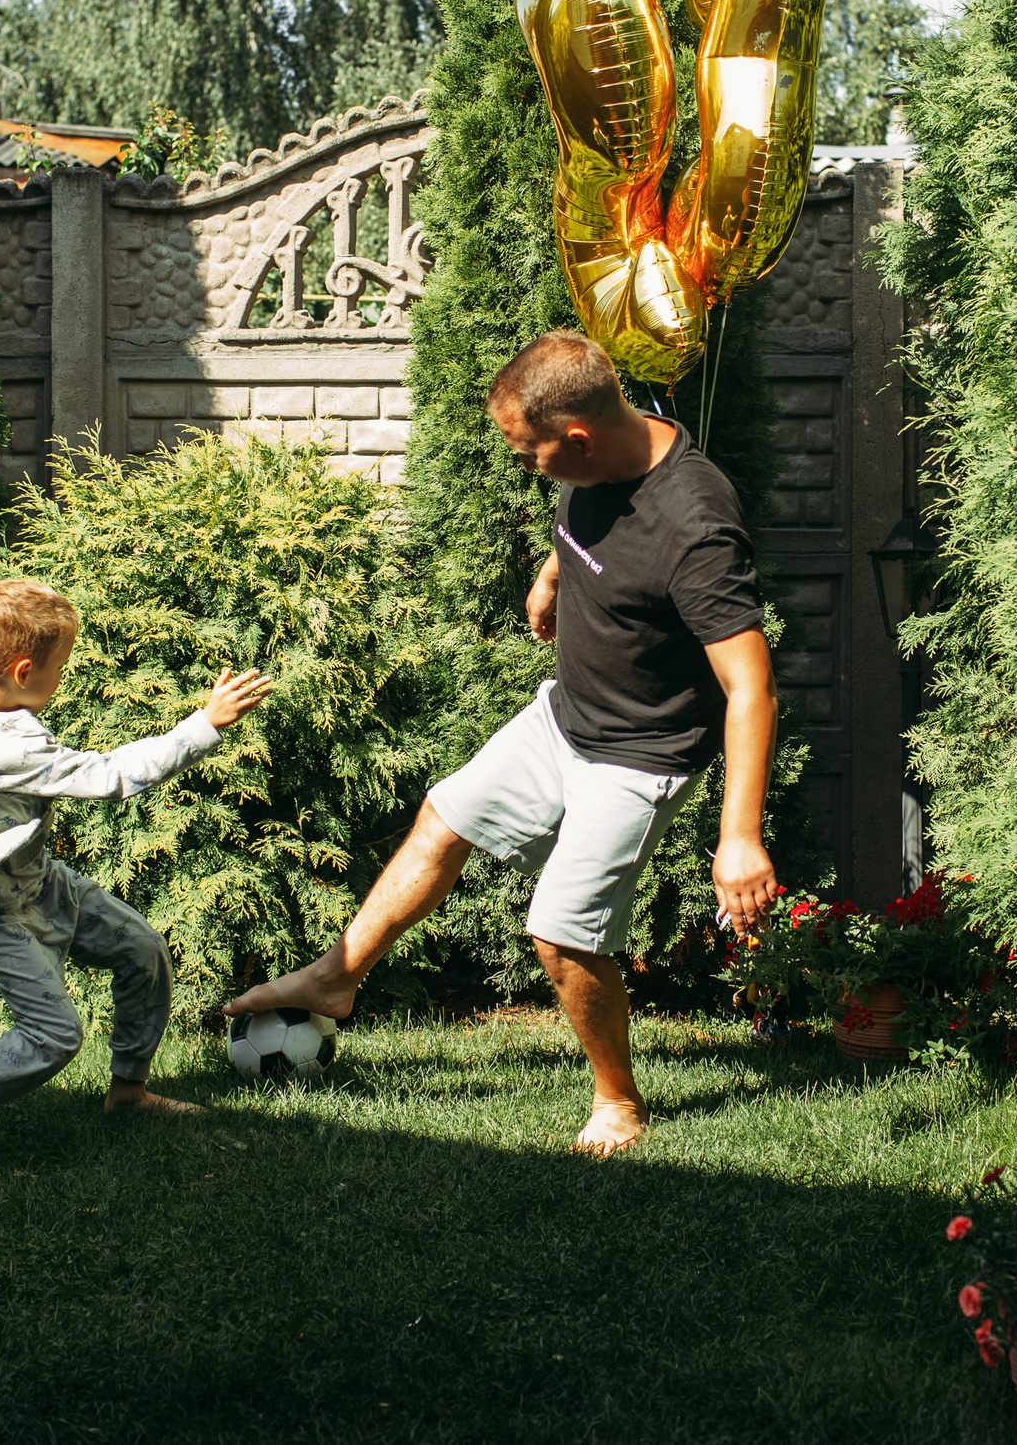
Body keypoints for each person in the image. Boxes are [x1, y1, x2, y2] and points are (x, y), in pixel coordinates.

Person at [227, 330, 778, 1155]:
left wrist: (738, 836)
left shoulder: (693, 525)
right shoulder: (598, 455)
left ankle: (619, 1099)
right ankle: (336, 981)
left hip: (640, 751)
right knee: (444, 817)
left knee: (562, 932)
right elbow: (584, 522)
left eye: (531, 454)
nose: (526, 466)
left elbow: (751, 687)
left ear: (579, 438)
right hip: (567, 714)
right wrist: (552, 576)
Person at [0, 578, 272, 1171]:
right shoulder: (8, 746)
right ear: (23, 671)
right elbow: (110, 777)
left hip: (38, 881)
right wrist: (204, 725)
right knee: (52, 1038)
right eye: (61, 666)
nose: (64, 676)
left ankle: (128, 1092)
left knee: (142, 951)